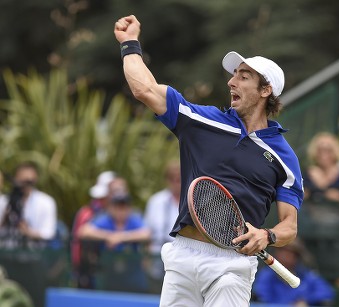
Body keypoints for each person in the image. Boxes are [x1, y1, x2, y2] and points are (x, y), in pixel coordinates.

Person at [114, 15, 304, 307]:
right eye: (234, 74)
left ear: (266, 91)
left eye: (243, 76)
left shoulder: (285, 157)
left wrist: (267, 235)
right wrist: (129, 43)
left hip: (233, 265)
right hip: (183, 255)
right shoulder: (201, 120)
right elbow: (145, 90)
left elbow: (289, 226)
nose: (231, 81)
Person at [253, 239, 335, 306]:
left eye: (291, 252)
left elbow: (326, 293)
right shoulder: (267, 275)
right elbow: (261, 299)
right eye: (281, 250)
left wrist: (306, 301)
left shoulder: (307, 276)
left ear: (298, 256)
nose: (285, 255)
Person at [70, 170, 115, 288]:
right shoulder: (86, 213)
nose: (100, 201)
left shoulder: (119, 214)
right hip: (89, 272)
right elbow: (80, 235)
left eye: (104, 197)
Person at [0, 162, 57, 242]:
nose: (25, 185)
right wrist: (5, 218)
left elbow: (48, 234)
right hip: (7, 251)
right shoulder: (4, 201)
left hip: (34, 252)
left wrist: (28, 232)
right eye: (22, 181)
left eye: (29, 182)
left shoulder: (46, 202)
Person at [144, 160, 180, 279]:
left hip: (181, 260)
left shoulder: (193, 201)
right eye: (174, 180)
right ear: (168, 180)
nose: (178, 184)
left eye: (180, 179)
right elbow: (147, 232)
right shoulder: (156, 201)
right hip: (157, 259)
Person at [303, 132, 339, 203]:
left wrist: (322, 186)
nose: (324, 154)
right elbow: (303, 196)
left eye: (328, 150)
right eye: (320, 150)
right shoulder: (308, 173)